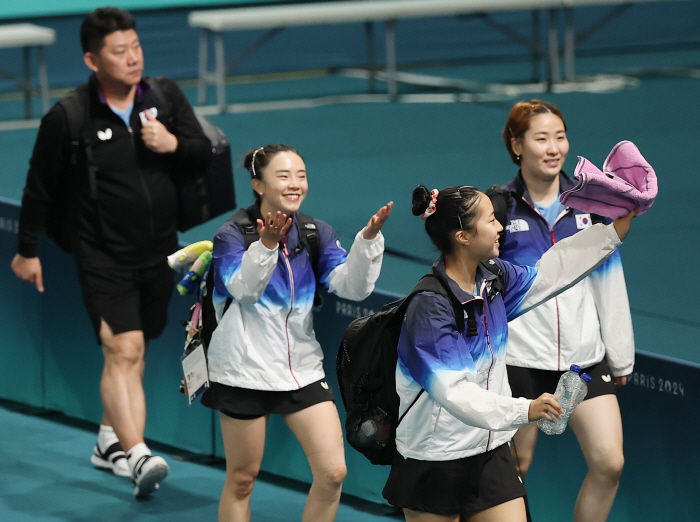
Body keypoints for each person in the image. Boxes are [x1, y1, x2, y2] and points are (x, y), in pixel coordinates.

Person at [10, 7, 211, 497]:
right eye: (119, 52)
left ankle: (107, 442)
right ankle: (138, 455)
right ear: (91, 60)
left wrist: (172, 143)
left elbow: (203, 153)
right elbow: (39, 186)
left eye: (135, 47)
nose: (132, 58)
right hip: (101, 254)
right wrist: (26, 250)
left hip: (161, 250)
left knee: (134, 350)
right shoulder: (70, 116)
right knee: (124, 348)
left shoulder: (163, 97)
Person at [381, 185, 635, 522]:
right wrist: (525, 408)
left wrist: (611, 233)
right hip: (434, 455)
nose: (501, 225)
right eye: (490, 220)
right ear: (463, 236)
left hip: (488, 453)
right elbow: (456, 394)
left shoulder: (494, 280)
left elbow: (551, 273)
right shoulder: (431, 308)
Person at [200, 144, 393, 522]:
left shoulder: (313, 232)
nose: (295, 184)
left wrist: (367, 242)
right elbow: (244, 290)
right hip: (243, 373)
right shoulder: (232, 235)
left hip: (300, 370)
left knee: (333, 473)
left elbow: (351, 287)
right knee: (242, 479)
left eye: (301, 176)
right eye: (283, 176)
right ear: (258, 184)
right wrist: (267, 245)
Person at [492, 99, 634, 522]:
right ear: (517, 146)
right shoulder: (499, 208)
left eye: (560, 137)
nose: (554, 148)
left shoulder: (591, 206)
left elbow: (609, 283)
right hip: (519, 361)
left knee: (610, 463)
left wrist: (620, 353)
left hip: (583, 361)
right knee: (515, 469)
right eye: (541, 138)